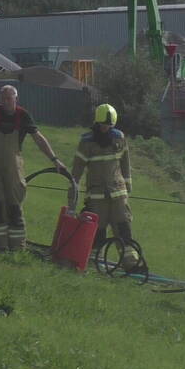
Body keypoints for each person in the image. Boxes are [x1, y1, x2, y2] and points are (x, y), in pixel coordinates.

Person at [0, 85, 69, 252]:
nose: (6, 101)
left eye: (9, 98)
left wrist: (55, 160)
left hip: (13, 168)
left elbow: (39, 139)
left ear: (16, 98)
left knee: (14, 206)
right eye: (3, 98)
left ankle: (18, 247)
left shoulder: (23, 116)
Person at [69, 103, 139, 270]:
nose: (106, 128)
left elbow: (125, 164)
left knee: (123, 229)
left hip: (118, 195)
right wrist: (72, 196)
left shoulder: (119, 138)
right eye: (103, 125)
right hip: (97, 197)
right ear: (97, 123)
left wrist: (127, 186)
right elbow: (76, 171)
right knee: (97, 232)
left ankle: (131, 263)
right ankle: (94, 264)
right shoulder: (87, 142)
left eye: (109, 125)